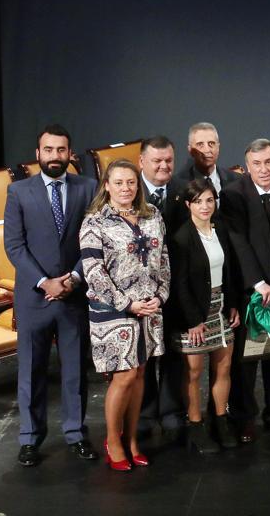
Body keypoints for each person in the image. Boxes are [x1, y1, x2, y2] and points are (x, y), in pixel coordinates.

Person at [4, 124, 99, 467]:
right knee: (31, 370)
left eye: (61, 151)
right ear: (38, 153)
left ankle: (75, 433)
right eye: (49, 150)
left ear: (69, 154)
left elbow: (94, 241)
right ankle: (30, 438)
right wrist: (45, 282)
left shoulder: (88, 188)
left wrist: (73, 277)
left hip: (74, 295)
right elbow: (14, 246)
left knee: (74, 370)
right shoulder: (19, 192)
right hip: (35, 297)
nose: (55, 157)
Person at [79, 159, 171, 470]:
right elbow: (93, 272)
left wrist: (160, 296)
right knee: (125, 374)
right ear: (107, 186)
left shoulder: (152, 215)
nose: (125, 188)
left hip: (149, 306)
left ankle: (132, 439)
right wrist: (126, 304)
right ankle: (113, 440)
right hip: (113, 309)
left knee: (142, 372)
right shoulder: (95, 222)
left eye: (131, 182)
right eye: (118, 182)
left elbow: (164, 259)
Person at [220, 138, 270, 442]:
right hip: (250, 290)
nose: (263, 169)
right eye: (257, 164)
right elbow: (238, 243)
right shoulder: (232, 195)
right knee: (246, 358)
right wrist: (258, 283)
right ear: (247, 166)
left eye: (268, 162)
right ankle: (243, 419)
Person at [165, 179, 242, 453]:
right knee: (194, 372)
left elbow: (230, 270)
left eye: (209, 200)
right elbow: (180, 283)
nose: (205, 206)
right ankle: (195, 425)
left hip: (220, 308)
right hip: (194, 314)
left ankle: (220, 420)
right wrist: (193, 321)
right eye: (198, 201)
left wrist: (232, 304)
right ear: (188, 205)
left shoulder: (220, 229)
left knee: (223, 367)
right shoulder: (182, 237)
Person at [136, 135, 190, 441]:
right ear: (142, 162)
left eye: (168, 160)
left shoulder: (184, 190)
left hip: (176, 288)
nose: (163, 166)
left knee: (172, 352)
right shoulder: (129, 192)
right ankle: (146, 411)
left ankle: (171, 411)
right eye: (156, 160)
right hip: (140, 292)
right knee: (144, 353)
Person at [175, 122, 240, 193]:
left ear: (218, 147)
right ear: (190, 150)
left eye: (211, 143)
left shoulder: (237, 181)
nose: (207, 150)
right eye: (200, 144)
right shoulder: (178, 185)